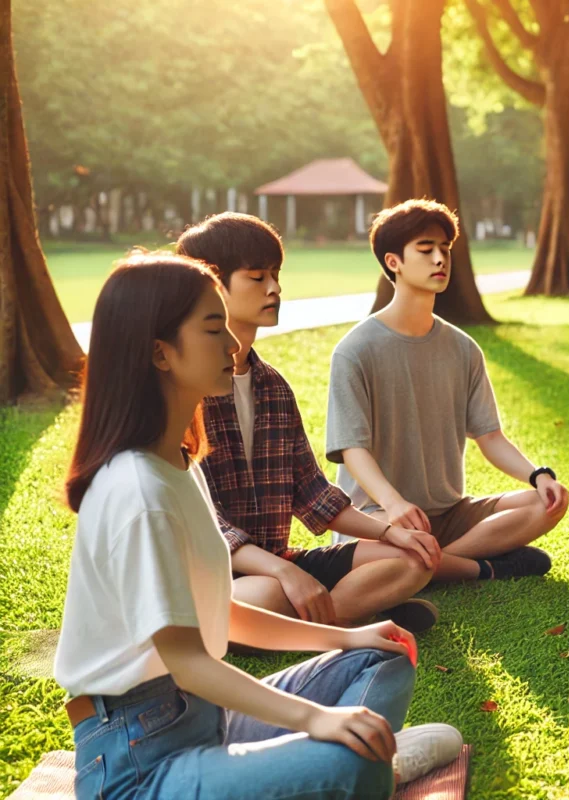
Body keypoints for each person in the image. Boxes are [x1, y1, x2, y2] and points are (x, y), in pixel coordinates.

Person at [54, 252, 462, 800]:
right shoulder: (137, 488)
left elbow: (218, 615)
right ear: (160, 352)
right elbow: (190, 661)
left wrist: (345, 636)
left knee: (380, 658)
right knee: (353, 764)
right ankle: (360, 770)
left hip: (206, 721)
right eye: (212, 327)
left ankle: (330, 768)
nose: (230, 344)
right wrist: (317, 721)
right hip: (137, 761)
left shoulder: (178, 464)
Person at [177, 213, 441, 634]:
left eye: (276, 275)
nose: (275, 288)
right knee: (267, 595)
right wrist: (285, 575)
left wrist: (390, 533)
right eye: (257, 277)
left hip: (279, 559)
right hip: (214, 575)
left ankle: (326, 617)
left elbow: (313, 493)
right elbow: (204, 525)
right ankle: (348, 618)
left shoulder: (273, 386)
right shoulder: (182, 391)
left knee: (413, 558)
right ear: (212, 287)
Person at [326, 199, 566, 583]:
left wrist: (539, 476)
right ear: (393, 262)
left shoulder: (463, 348)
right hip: (381, 517)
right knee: (394, 542)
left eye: (444, 249)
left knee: (546, 503)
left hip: (450, 514)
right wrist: (395, 503)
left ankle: (432, 564)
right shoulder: (354, 351)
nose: (440, 258)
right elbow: (353, 449)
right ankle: (478, 567)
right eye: (425, 249)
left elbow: (490, 436)